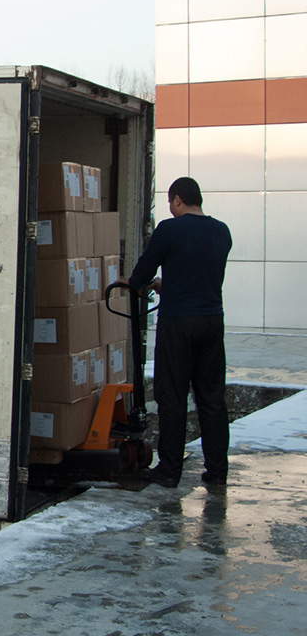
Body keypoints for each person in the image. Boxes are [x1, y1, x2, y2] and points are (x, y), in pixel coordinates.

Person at [113, 177, 232, 488]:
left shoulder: (170, 228)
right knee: (212, 399)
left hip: (178, 323)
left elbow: (142, 274)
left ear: (177, 200)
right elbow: (200, 274)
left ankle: (169, 471)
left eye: (171, 202)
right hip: (211, 320)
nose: (171, 207)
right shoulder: (222, 231)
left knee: (173, 397)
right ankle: (217, 472)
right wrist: (171, 286)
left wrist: (133, 282)